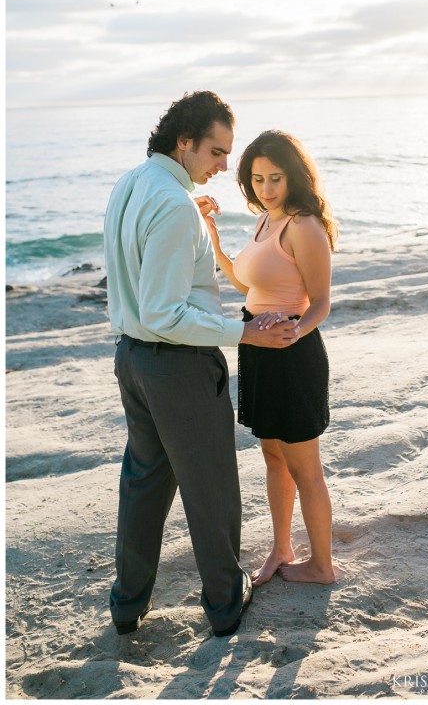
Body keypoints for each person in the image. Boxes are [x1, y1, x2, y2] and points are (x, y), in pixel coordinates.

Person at [103, 92, 301, 638]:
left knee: (143, 484)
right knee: (210, 487)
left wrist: (192, 223)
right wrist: (246, 333)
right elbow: (166, 313)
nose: (223, 165)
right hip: (178, 367)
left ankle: (126, 604)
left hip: (132, 361)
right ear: (183, 142)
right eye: (216, 151)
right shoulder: (172, 204)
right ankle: (223, 604)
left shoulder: (134, 183)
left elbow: (143, 275)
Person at [205, 129, 338, 586]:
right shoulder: (265, 221)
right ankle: (282, 548)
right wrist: (214, 241)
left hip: (292, 355)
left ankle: (322, 566)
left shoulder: (303, 225)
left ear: (294, 176)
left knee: (305, 469)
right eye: (258, 179)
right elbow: (251, 288)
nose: (266, 188)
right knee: (273, 460)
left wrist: (296, 331)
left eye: (275, 178)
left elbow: (320, 301)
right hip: (258, 353)